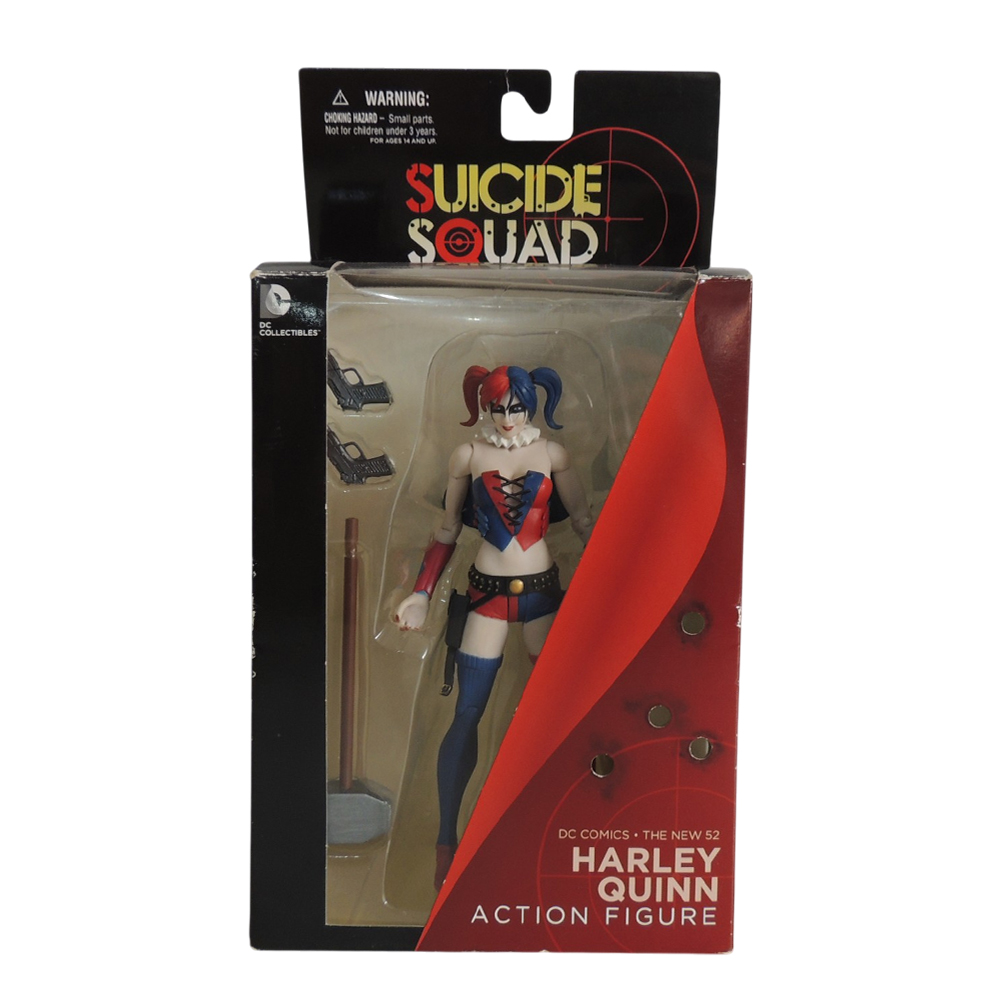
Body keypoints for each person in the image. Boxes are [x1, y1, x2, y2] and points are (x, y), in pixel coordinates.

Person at [394, 364, 592, 888]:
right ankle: (446, 841)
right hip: (486, 596)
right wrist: (420, 593)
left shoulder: (552, 455)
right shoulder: (467, 456)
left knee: (556, 713)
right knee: (468, 713)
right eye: (497, 408)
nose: (507, 418)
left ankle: (561, 831)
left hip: (544, 596)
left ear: (532, 406)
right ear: (485, 407)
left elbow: (587, 525)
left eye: (516, 408)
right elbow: (446, 530)